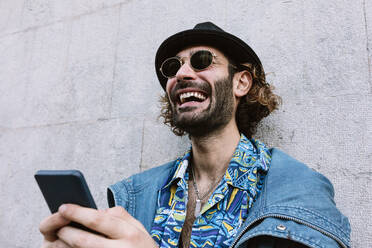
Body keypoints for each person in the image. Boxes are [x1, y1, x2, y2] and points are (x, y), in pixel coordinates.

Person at [39, 22, 351, 248]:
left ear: (241, 83)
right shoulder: (137, 194)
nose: (181, 74)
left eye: (202, 61)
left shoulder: (299, 190)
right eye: (173, 67)